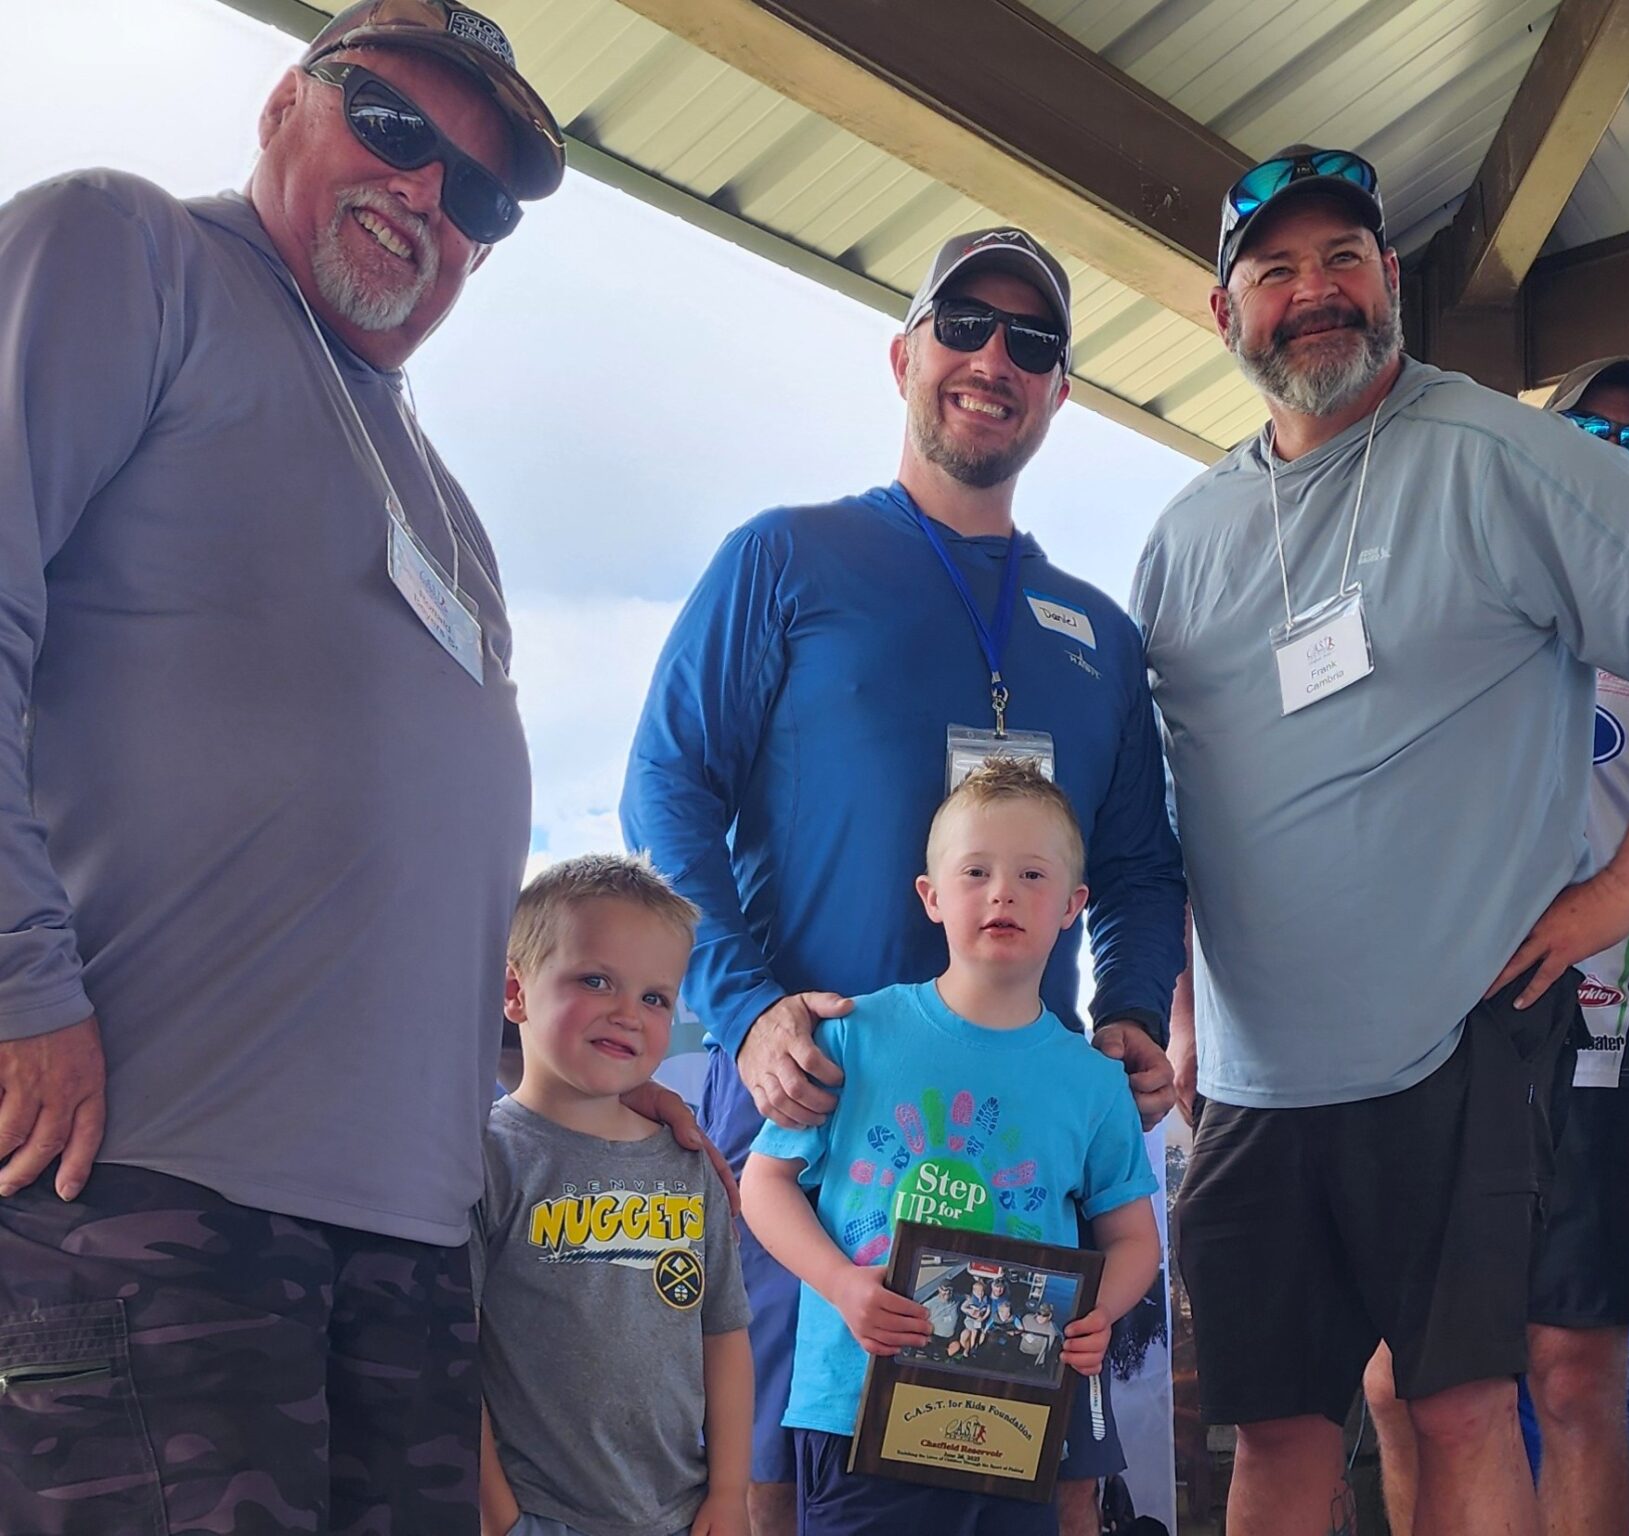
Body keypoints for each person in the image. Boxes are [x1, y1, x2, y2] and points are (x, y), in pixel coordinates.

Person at [0, 6, 731, 1530]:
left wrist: (582, 1087)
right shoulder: (127, 250)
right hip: (153, 1183)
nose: (428, 195)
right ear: (286, 102)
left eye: (478, 195)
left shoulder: (444, 498)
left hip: (409, 1246)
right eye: (395, 128)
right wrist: (16, 985)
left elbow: (405, 860)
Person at [1136, 145, 1629, 1536]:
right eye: (1274, 271)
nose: (1312, 294)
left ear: (1390, 281)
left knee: (1463, 1409)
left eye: (1343, 261)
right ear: (1223, 313)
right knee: (1279, 1435)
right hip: (1255, 1083)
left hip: (1461, 1047)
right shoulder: (1185, 535)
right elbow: (1180, 797)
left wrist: (1627, 885)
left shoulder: (1497, 451)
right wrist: (1187, 1000)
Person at [623, 225, 1185, 1536]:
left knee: (1045, 1490)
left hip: (1018, 1148)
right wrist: (747, 1002)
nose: (994, 357)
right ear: (904, 354)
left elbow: (1145, 865)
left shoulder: (1100, 633)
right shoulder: (786, 559)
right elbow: (668, 788)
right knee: (779, 1483)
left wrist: (1134, 1014)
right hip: (811, 1124)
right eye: (964, 325)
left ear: (1059, 392)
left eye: (1033, 342)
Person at [1361, 355, 1629, 1536]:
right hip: (1430, 1061)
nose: (1608, 454)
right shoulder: (1467, 603)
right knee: (1402, 1385)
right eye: (1583, 434)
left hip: (1599, 1063)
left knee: (1573, 1378)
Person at [741, 758, 1162, 1536]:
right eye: (976, 871)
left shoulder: (1092, 1083)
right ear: (931, 898)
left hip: (1019, 1419)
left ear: (1073, 906)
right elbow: (763, 1184)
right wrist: (842, 1285)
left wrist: (1101, 1310)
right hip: (855, 1409)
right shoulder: (852, 1035)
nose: (1003, 891)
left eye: (1032, 873)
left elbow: (1134, 1237)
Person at [475, 855, 751, 1536]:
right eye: (596, 980)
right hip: (540, 1518)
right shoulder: (485, 1157)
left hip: (685, 1516)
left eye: (655, 997)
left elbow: (724, 1337)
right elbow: (457, 1350)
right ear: (516, 992)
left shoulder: (690, 1165)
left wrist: (729, 1493)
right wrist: (500, 1518)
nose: (628, 1014)